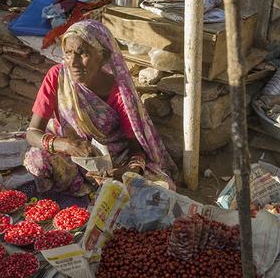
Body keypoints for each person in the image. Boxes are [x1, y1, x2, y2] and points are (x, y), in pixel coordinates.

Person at [24, 19, 177, 196]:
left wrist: (130, 170)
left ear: (103, 56)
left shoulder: (121, 92)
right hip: (71, 156)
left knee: (161, 187)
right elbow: (32, 132)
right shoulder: (57, 77)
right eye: (68, 53)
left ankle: (94, 191)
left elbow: (136, 148)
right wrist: (66, 145)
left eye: (82, 54)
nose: (73, 62)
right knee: (37, 159)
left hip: (112, 161)